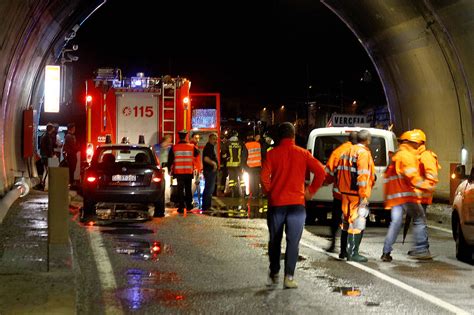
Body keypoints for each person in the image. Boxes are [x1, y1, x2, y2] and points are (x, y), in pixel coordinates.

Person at [261, 122, 325, 289]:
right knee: (293, 242)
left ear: (279, 137)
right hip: (297, 205)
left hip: (277, 205)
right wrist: (310, 191)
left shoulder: (271, 154)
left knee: (275, 240)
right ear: (293, 136)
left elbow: (264, 178)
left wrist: (270, 193)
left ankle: (274, 271)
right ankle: (289, 277)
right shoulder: (303, 154)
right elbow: (321, 172)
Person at [381, 129, 435, 262]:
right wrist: (426, 185)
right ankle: (422, 249)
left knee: (396, 223)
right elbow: (412, 176)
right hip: (406, 196)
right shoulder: (406, 156)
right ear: (414, 143)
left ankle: (386, 252)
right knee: (419, 217)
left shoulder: (398, 154)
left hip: (395, 197)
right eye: (419, 143)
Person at [336, 130, 376, 262]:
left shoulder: (346, 151)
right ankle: (353, 253)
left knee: (346, 222)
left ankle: (343, 251)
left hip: (345, 192)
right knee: (357, 223)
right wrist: (364, 195)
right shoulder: (363, 153)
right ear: (367, 140)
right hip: (356, 194)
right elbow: (362, 175)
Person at [324, 131, 358, 257]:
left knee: (336, 219)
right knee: (350, 221)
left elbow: (329, 171)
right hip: (354, 195)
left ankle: (333, 244)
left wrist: (326, 182)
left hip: (339, 194)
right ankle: (347, 249)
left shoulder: (339, 151)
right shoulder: (361, 152)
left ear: (347, 139)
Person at [168, 130, 200, 213]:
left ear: (179, 137)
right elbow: (197, 154)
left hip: (179, 172)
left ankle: (181, 206)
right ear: (186, 137)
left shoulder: (174, 147)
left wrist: (169, 169)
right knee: (188, 189)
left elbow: (170, 160)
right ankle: (189, 205)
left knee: (180, 189)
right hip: (188, 172)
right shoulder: (192, 147)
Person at [154, 135, 173, 205]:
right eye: (169, 139)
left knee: (167, 185)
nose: (170, 141)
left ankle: (167, 200)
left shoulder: (170, 148)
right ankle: (158, 199)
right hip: (158, 169)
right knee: (158, 185)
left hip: (165, 168)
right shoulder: (156, 147)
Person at [242, 133, 262, 198]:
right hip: (258, 165)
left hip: (250, 166)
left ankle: (253, 194)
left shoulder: (246, 145)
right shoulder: (258, 144)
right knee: (256, 181)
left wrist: (243, 166)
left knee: (252, 181)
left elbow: (244, 156)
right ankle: (257, 194)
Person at [201, 133, 218, 211]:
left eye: (216, 139)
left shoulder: (211, 147)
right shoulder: (209, 147)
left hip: (209, 171)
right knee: (209, 189)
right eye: (214, 139)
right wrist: (214, 164)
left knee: (209, 188)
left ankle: (207, 206)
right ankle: (206, 206)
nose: (215, 141)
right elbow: (206, 158)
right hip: (209, 171)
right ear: (210, 139)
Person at [225, 131, 244, 197]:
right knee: (241, 177)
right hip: (239, 163)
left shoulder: (227, 143)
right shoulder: (240, 142)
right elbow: (243, 152)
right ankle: (243, 190)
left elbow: (224, 153)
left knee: (231, 177)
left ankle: (232, 190)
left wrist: (225, 158)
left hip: (230, 163)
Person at [190, 132, 202, 206]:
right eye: (195, 138)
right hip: (194, 169)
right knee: (193, 186)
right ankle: (190, 200)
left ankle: (192, 200)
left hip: (197, 169)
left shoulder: (195, 146)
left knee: (196, 186)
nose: (197, 140)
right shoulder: (192, 146)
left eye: (198, 138)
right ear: (191, 138)